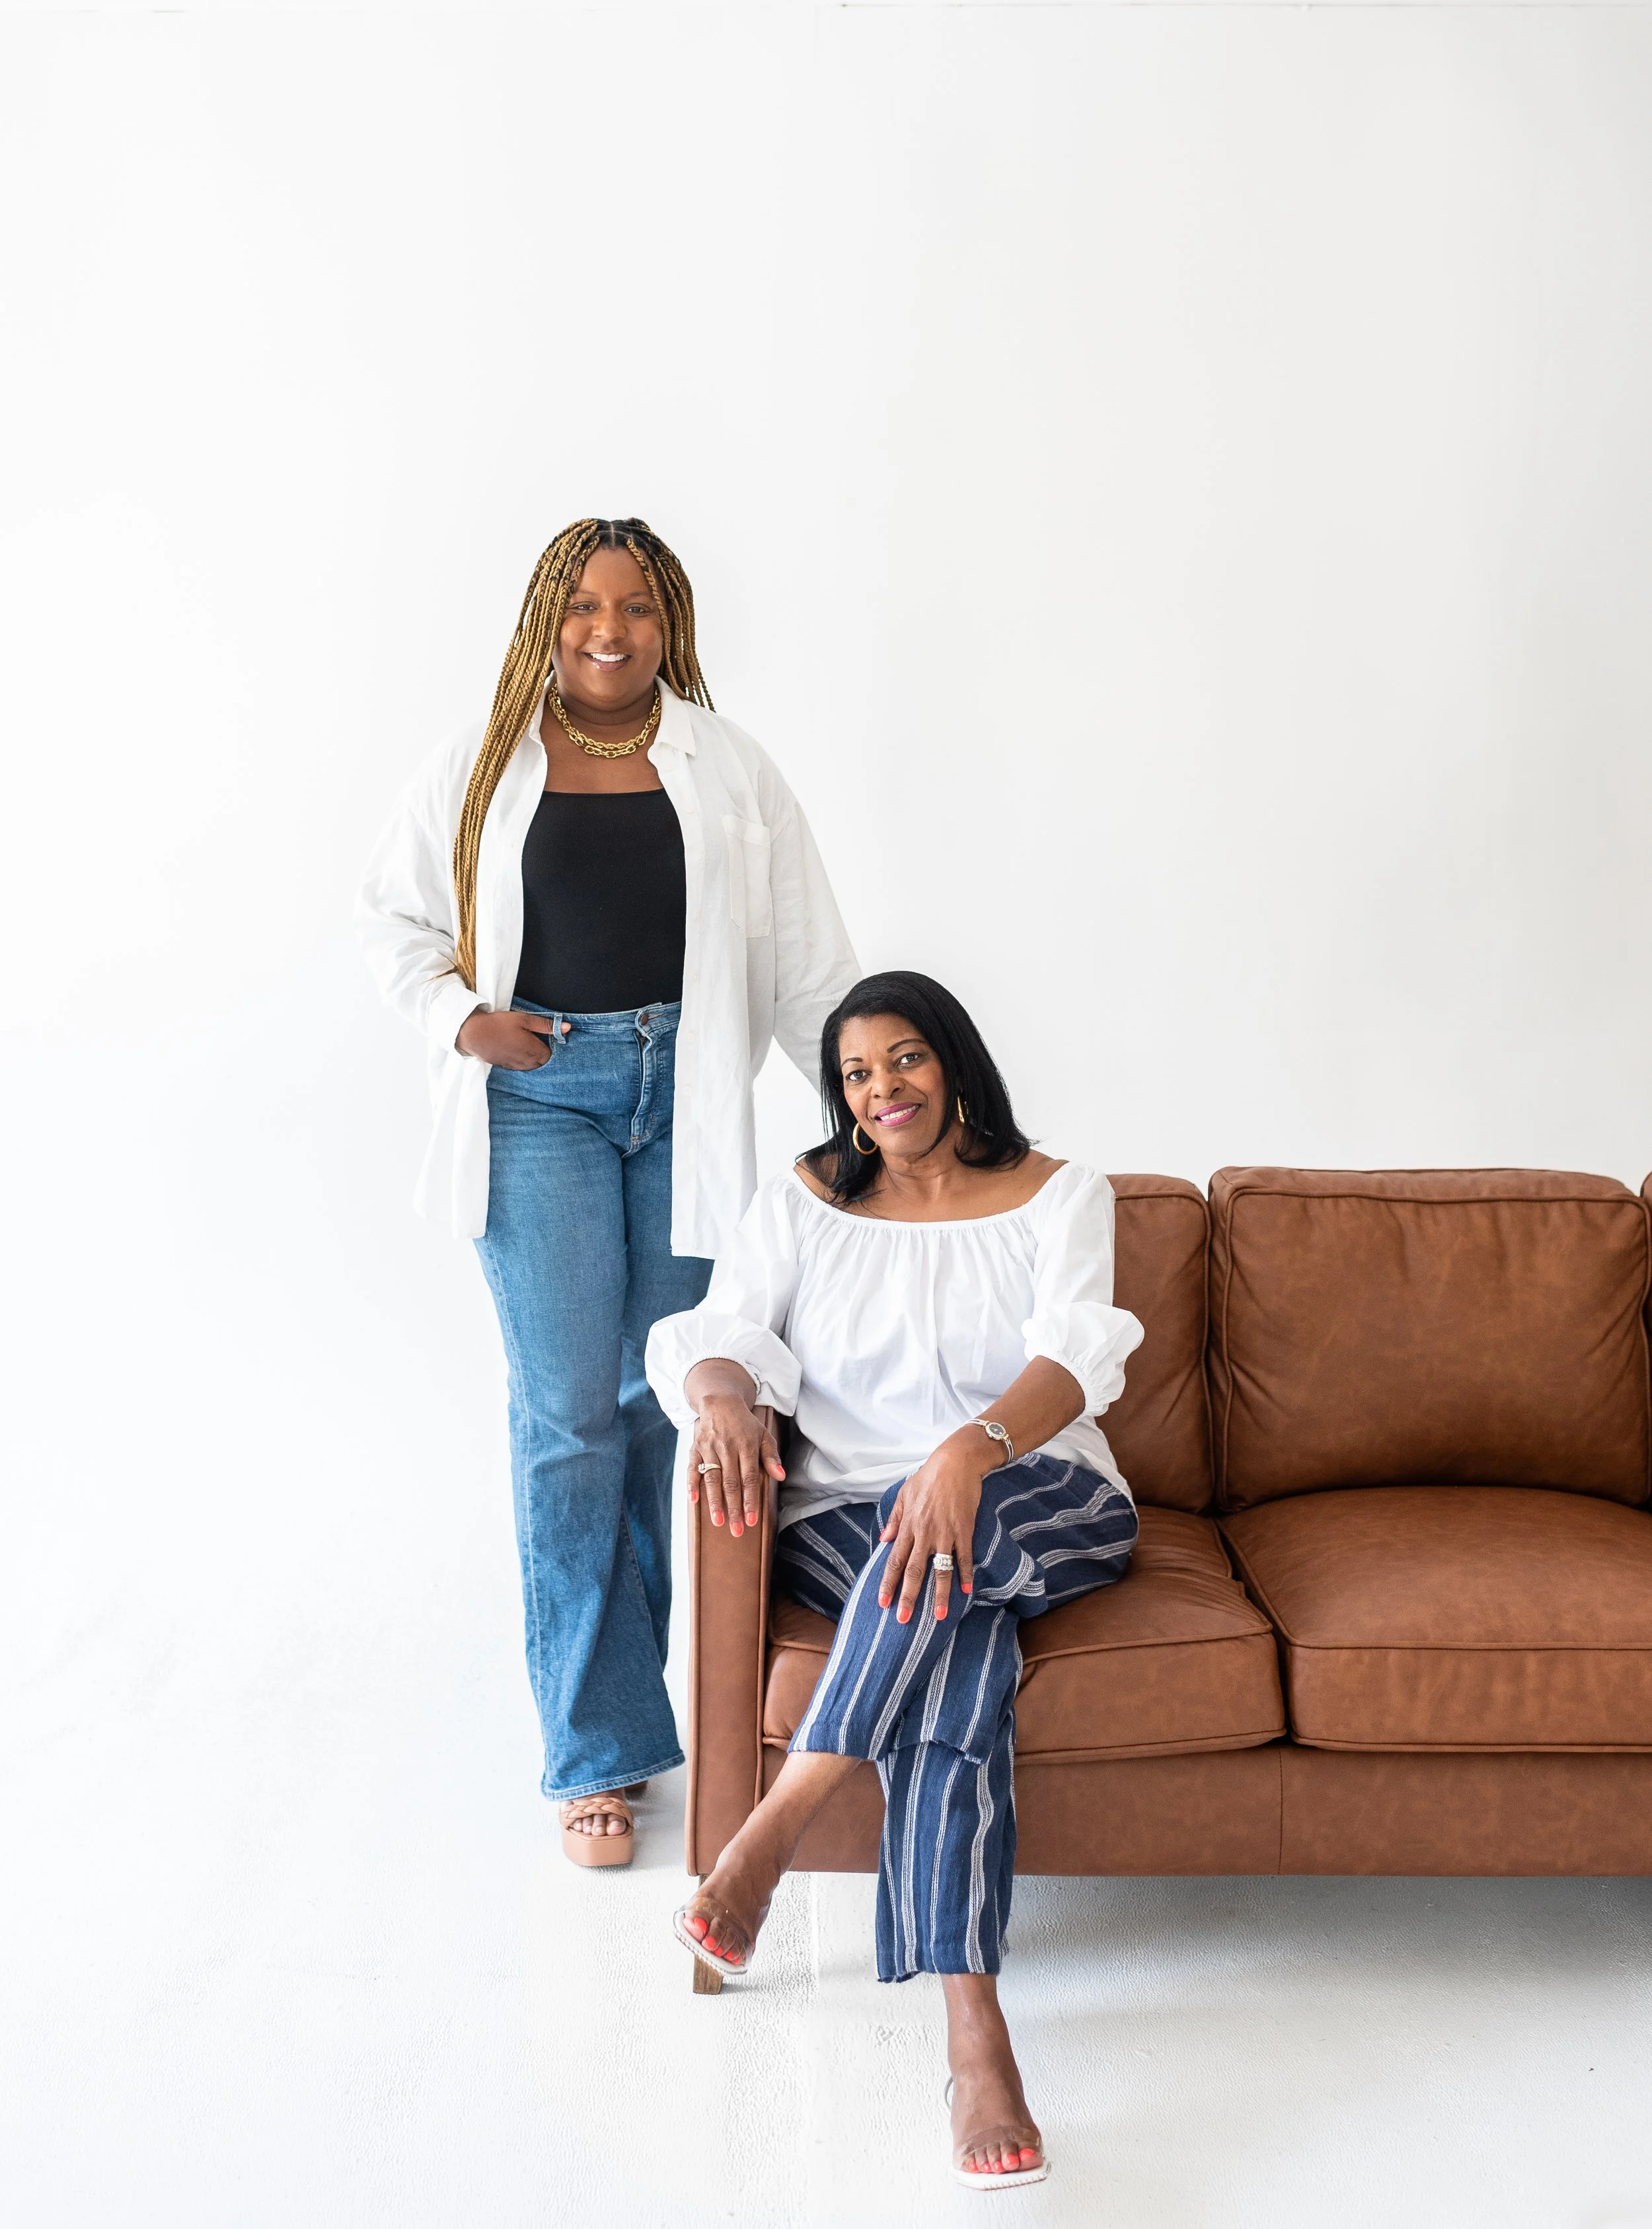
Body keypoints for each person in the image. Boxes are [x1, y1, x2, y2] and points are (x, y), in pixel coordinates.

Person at [357, 518, 857, 1868]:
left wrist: (862, 1108)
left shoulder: (724, 764)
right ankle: (595, 1757)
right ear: (544, 616)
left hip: (682, 1100)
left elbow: (807, 964)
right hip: (540, 1109)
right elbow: (394, 922)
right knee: (568, 1417)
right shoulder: (481, 763)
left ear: (670, 621)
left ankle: (644, 1729)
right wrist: (465, 1017)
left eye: (636, 606)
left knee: (660, 1414)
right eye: (582, 605)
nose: (608, 630)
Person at [646, 971, 1144, 2187]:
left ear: (956, 1061)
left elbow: (1080, 1355)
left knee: (946, 1551)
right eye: (858, 1076)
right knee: (951, 1630)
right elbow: (727, 1334)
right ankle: (976, 2037)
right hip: (852, 1516)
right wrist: (717, 1399)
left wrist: (971, 1453)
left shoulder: (1059, 1194)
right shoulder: (807, 1201)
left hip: (1038, 1487)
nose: (884, 1092)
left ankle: (774, 1828)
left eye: (906, 1061)